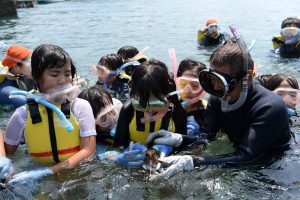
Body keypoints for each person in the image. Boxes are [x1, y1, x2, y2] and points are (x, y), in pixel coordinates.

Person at [146, 38, 291, 180]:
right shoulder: (218, 97)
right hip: (238, 155)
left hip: (274, 167)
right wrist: (179, 139)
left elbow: (247, 155)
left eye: (222, 83)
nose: (215, 88)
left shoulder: (270, 107)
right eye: (213, 79)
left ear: (247, 78)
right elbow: (208, 135)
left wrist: (194, 162)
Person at [4, 44, 96, 184]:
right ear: (36, 78)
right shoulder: (22, 114)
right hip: (38, 178)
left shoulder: (80, 107)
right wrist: (7, 167)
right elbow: (9, 152)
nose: (63, 80)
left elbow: (88, 150)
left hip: (79, 175)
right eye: (54, 74)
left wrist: (50, 171)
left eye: (67, 73)